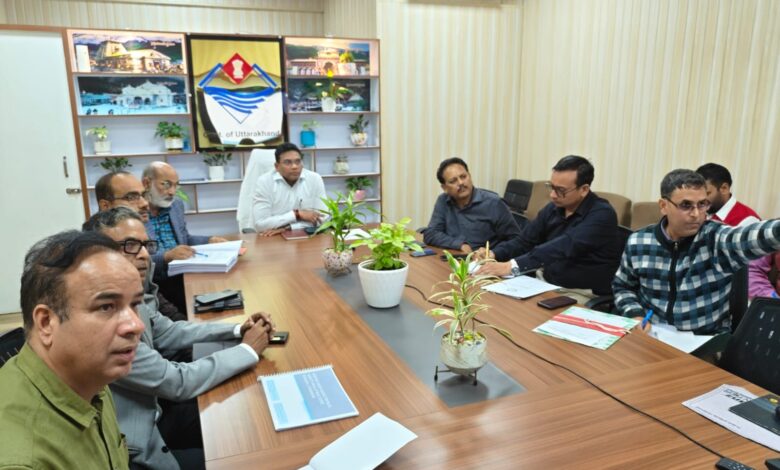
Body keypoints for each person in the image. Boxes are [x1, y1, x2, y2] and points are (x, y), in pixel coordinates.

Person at [83, 207, 275, 470]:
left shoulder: (128, 296)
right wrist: (248, 351)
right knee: (243, 452)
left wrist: (237, 329)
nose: (143, 255)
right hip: (139, 448)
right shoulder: (103, 324)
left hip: (156, 409)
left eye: (146, 245)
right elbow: (176, 381)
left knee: (247, 415)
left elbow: (170, 331)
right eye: (130, 245)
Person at [0, 230, 145, 469]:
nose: (136, 325)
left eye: (135, 304)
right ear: (46, 322)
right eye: (106, 307)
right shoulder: (24, 461)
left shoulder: (88, 376)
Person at [613, 169, 780, 334]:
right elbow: (623, 287)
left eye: (702, 204)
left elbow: (754, 236)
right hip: (653, 333)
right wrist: (634, 314)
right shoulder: (639, 241)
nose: (697, 214)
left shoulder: (715, 238)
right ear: (663, 206)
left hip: (704, 339)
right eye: (686, 205)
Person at [475, 155, 622, 297]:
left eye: (561, 190)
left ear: (584, 189)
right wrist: (494, 253)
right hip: (543, 282)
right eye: (551, 187)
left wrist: (511, 266)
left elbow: (563, 246)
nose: (552, 195)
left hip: (580, 292)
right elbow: (525, 241)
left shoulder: (602, 215)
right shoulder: (554, 208)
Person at [94, 171, 185, 322]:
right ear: (105, 206)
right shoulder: (94, 254)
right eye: (132, 197)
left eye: (143, 195)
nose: (144, 204)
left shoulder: (138, 235)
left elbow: (153, 299)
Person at [142, 161, 228, 312]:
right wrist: (167, 256)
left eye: (176, 185)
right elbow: (133, 259)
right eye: (166, 184)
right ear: (147, 183)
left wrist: (209, 240)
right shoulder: (134, 213)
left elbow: (185, 239)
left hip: (182, 274)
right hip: (155, 282)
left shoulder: (175, 205)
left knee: (222, 295)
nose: (172, 192)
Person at [423, 157, 522, 253]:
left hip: (485, 261)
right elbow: (431, 234)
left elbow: (517, 241)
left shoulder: (493, 203)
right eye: (453, 181)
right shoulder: (443, 201)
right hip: (455, 258)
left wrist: (492, 253)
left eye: (463, 177)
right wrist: (460, 245)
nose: (461, 183)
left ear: (469, 176)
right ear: (444, 188)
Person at [252, 142, 326, 236]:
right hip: (273, 238)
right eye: (287, 162)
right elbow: (260, 225)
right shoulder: (265, 182)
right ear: (277, 166)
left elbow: (323, 218)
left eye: (298, 161)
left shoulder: (314, 179)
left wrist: (289, 228)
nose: (294, 166)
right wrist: (296, 214)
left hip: (308, 237)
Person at [695, 163, 760, 227]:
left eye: (707, 193)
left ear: (724, 188)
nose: (700, 200)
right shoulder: (700, 211)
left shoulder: (747, 222)